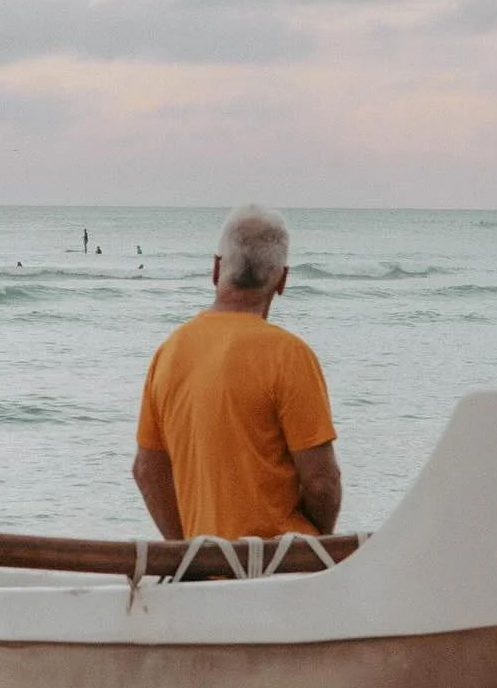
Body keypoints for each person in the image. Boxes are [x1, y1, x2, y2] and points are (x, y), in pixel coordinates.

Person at [133, 204, 341, 541]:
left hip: (204, 564)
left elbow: (147, 471)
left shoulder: (170, 352)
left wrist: (186, 550)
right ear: (283, 280)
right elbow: (321, 483)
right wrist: (314, 548)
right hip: (279, 564)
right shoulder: (288, 355)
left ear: (216, 269)